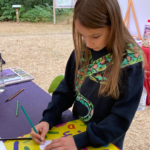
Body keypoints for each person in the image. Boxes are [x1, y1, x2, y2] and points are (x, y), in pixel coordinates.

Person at [30, 0, 145, 150]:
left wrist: (81, 140)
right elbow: (67, 89)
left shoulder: (131, 63)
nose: (88, 43)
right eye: (82, 35)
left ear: (113, 25)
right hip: (75, 129)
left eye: (95, 36)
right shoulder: (84, 51)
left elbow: (120, 119)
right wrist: (49, 118)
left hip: (103, 141)